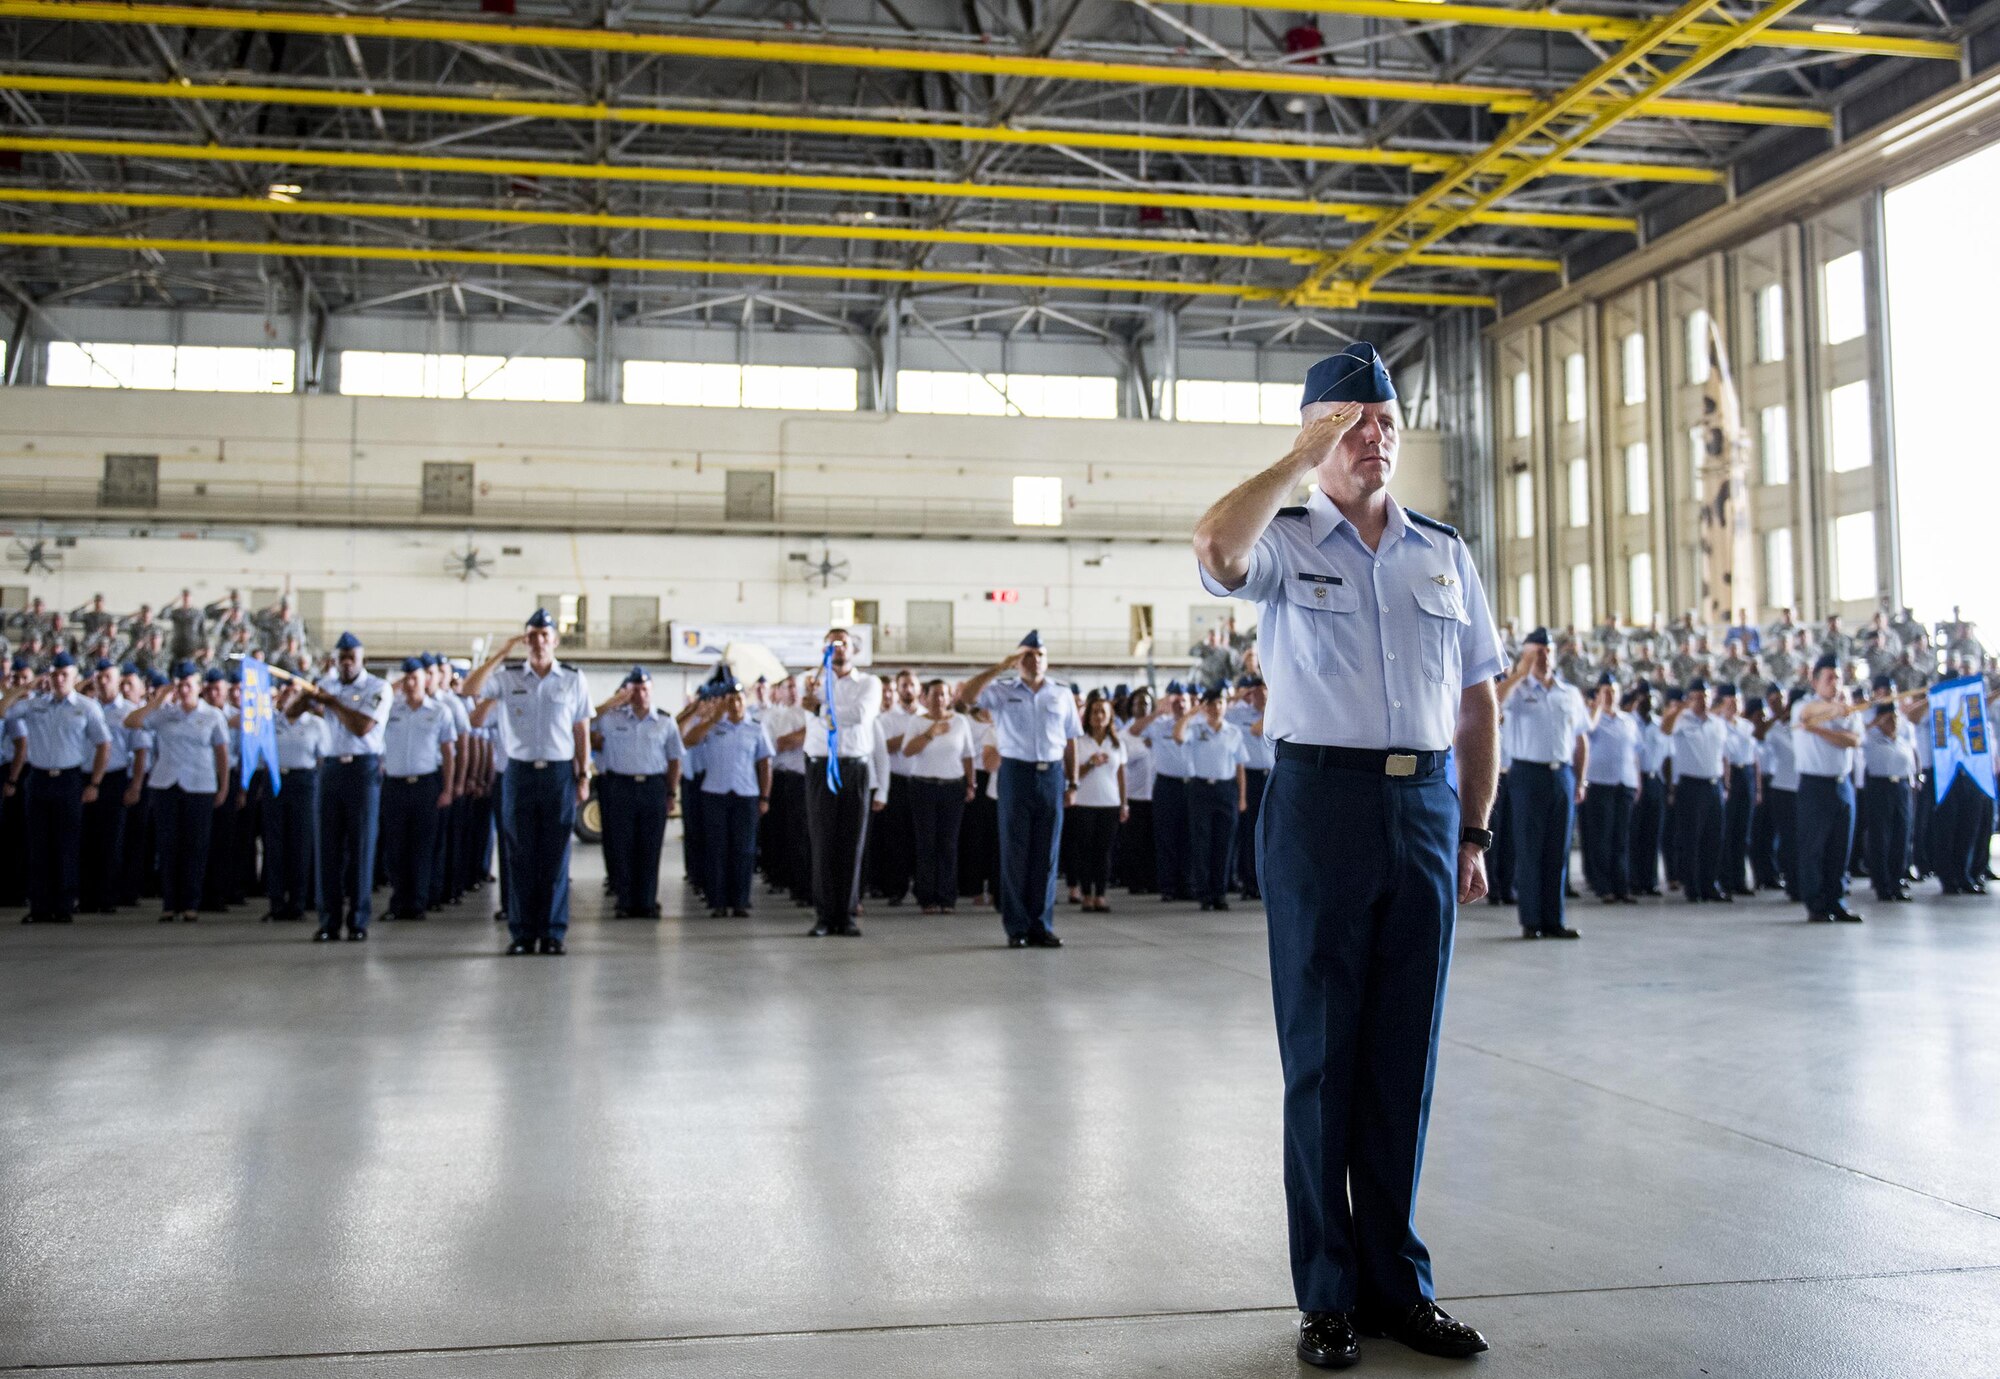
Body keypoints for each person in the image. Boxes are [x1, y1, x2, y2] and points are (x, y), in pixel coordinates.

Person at [1193, 340, 1500, 1365]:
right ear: (1318, 428)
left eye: (1386, 423)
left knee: (1399, 1062)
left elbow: (1474, 700)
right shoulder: (1285, 537)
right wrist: (1292, 460)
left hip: (1421, 806)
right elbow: (1214, 547)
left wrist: (1471, 828)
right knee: (1321, 1057)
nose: (1375, 439)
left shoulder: (1440, 550)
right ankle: (1324, 1292)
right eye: (1352, 422)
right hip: (1317, 803)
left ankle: (1394, 1286)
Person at [465, 609, 592, 955]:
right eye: (532, 636)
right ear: (525, 640)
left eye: (544, 636)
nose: (538, 642)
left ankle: (552, 932)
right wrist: (501, 654)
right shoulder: (507, 678)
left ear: (555, 640)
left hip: (558, 774)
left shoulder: (572, 679)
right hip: (518, 775)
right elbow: (469, 688)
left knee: (555, 856)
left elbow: (581, 730)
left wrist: (584, 775)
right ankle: (522, 933)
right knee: (519, 856)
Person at [958, 630, 1082, 949]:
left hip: (1052, 774)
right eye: (1027, 655)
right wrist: (999, 668)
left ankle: (1041, 924)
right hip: (1016, 774)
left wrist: (1073, 782)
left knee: (1047, 854)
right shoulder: (1000, 691)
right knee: (1015, 853)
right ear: (1017, 660)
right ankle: (1017, 927)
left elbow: (1070, 742)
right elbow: (966, 697)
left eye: (1040, 655)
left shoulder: (1061, 694)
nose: (1035, 660)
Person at [286, 631, 391, 942]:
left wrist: (332, 703)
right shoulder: (326, 685)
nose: (346, 663)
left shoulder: (377, 687)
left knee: (360, 847)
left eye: (352, 658)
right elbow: (290, 714)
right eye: (341, 658)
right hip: (330, 769)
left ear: (362, 660)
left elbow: (362, 727)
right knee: (327, 849)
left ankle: (357, 920)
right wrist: (308, 695)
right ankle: (328, 921)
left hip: (362, 769)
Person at [3, 652, 111, 923]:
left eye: (65, 674)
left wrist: (95, 782)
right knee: (38, 844)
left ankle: (63, 905)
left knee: (66, 843)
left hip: (69, 778)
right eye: (55, 674)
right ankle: (40, 906)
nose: (60, 679)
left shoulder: (87, 707)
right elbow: (3, 710)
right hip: (38, 778)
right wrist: (25, 688)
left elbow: (103, 744)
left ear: (74, 677)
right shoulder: (35, 704)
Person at [1496, 629, 1589, 939]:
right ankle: (1532, 920)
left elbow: (1580, 738)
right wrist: (1519, 675)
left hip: (1561, 774)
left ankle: (1554, 919)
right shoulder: (1517, 692)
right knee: (1529, 848)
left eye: (1547, 650)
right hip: (1527, 774)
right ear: (1525, 655)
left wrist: (1580, 778)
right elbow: (1493, 704)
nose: (1543, 656)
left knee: (1557, 850)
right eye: (1536, 651)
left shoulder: (1568, 693)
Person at [125, 661, 229, 924]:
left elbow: (222, 754)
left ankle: (191, 903)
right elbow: (132, 721)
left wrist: (223, 785)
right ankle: (170, 903)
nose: (183, 690)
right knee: (168, 845)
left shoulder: (212, 715)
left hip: (200, 785)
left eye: (188, 685)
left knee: (195, 846)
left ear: (199, 687)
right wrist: (158, 699)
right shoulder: (165, 713)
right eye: (179, 684)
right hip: (166, 784)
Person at [801, 627, 879, 937]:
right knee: (822, 842)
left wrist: (821, 708)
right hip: (821, 767)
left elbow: (859, 714)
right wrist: (815, 701)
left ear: (853, 650)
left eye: (843, 642)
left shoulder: (869, 683)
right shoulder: (811, 681)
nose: (837, 647)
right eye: (831, 643)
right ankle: (823, 915)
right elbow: (810, 713)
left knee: (851, 843)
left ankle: (845, 914)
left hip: (854, 767)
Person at [591, 666, 685, 920]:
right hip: (620, 786)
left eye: (644, 689)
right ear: (627, 691)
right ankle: (624, 901)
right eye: (634, 690)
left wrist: (670, 791)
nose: (640, 694)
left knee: (650, 846)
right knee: (622, 846)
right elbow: (584, 721)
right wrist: (612, 702)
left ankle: (647, 901)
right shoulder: (611, 718)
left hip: (653, 786)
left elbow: (675, 759)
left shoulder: (665, 721)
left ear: (651, 690)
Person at [681, 679, 773, 917]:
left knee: (744, 850)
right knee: (716, 849)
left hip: (746, 794)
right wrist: (712, 719)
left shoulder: (755, 727)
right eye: (730, 700)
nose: (735, 704)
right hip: (715, 793)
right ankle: (718, 901)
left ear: (746, 701)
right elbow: (688, 741)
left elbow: (765, 763)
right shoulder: (712, 726)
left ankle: (740, 901)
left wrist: (764, 796)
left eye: (739, 699)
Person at [379, 656, 458, 921]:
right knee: (395, 847)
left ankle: (417, 903)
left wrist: (448, 788)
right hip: (395, 785)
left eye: (416, 677)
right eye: (407, 678)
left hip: (425, 784)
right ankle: (397, 902)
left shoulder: (439, 711)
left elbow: (449, 753)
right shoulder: (391, 710)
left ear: (426, 679)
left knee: (422, 846)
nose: (411, 683)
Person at [1792, 655, 1864, 922]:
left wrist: (1821, 731)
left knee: (1839, 847)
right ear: (1815, 681)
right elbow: (1806, 716)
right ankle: (1816, 904)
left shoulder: (1848, 711)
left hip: (1841, 783)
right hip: (1814, 784)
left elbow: (1853, 740)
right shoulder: (1803, 705)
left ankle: (1837, 900)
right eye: (1829, 678)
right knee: (1813, 848)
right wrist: (1834, 713)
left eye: (1838, 678)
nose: (1835, 684)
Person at [901, 679, 977, 914]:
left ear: (949, 698)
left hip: (952, 786)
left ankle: (947, 897)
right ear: (925, 697)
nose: (939, 699)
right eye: (934, 694)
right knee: (926, 842)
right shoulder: (917, 721)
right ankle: (927, 897)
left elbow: (968, 755)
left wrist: (970, 783)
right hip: (923, 786)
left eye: (943, 695)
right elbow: (907, 750)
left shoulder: (960, 721)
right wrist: (930, 733)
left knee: (948, 842)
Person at [81, 658, 148, 915]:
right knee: (86, 839)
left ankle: (108, 895)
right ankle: (87, 897)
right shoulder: (88, 709)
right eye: (97, 678)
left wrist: (136, 786)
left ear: (118, 679)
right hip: (85, 776)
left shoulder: (128, 712)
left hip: (115, 778)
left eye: (107, 676)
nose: (102, 682)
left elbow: (141, 751)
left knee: (111, 840)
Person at [1178, 683, 1247, 911]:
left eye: (1220, 703)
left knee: (1224, 844)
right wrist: (1190, 713)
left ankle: (1220, 893)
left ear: (1225, 705)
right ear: (1205, 707)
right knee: (1202, 842)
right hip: (1201, 789)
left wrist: (1242, 797)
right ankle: (1204, 893)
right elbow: (1178, 736)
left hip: (1226, 789)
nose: (1216, 707)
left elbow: (1239, 767)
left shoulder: (1233, 732)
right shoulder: (1196, 730)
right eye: (1211, 704)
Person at [1662, 678, 1729, 904]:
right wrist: (1679, 709)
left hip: (1713, 784)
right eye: (1697, 697)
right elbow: (1665, 728)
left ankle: (1710, 884)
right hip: (1690, 785)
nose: (1702, 701)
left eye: (1706, 697)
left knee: (1714, 838)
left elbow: (1723, 755)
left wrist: (1725, 784)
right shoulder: (1682, 720)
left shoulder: (1717, 723)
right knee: (1691, 838)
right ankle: (1692, 887)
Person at [262, 680, 323, 922]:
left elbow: (322, 758)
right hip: (275, 781)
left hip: (303, 781)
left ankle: (298, 902)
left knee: (300, 843)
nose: (290, 697)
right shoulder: (268, 723)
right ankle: (276, 902)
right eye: (286, 692)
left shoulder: (315, 724)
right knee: (274, 844)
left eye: (295, 692)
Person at [1580, 674, 1639, 904]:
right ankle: (1603, 886)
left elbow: (1634, 753)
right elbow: (1586, 732)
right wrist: (1596, 708)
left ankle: (1621, 885)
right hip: (1600, 783)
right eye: (1605, 691)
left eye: (1613, 691)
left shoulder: (1628, 721)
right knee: (1601, 836)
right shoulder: (1593, 719)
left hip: (1624, 783)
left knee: (1621, 837)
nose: (1610, 696)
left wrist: (1637, 783)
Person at [1067, 693, 1126, 912]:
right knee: (1085, 851)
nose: (1098, 716)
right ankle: (1086, 893)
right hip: (1084, 803)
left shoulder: (1117, 743)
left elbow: (1121, 775)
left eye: (1103, 712)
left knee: (1104, 851)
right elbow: (1072, 773)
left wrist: (1124, 803)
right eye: (1094, 712)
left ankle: (1100, 893)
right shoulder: (1080, 742)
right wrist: (1091, 763)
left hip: (1109, 803)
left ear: (1110, 716)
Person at [1134, 681, 1191, 900]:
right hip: (1167, 785)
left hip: (1190, 785)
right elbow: (1135, 730)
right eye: (1175, 701)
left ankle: (1187, 885)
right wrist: (1157, 712)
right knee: (1166, 838)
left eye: (1183, 701)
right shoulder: (1159, 725)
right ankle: (1168, 887)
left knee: (1188, 838)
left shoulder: (1195, 724)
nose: (1180, 706)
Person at [1861, 692, 1918, 904]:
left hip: (1902, 787)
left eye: (1894, 718)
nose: (1892, 723)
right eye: (1888, 719)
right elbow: (1858, 735)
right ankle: (1882, 884)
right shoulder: (1870, 739)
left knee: (1901, 836)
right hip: (1880, 787)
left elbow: (1912, 761)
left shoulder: (1902, 739)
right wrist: (1874, 723)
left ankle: (1897, 882)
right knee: (1880, 837)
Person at [760, 677, 812, 906]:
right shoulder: (781, 716)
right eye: (787, 687)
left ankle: (810, 884)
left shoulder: (809, 713)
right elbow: (781, 743)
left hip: (814, 777)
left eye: (795, 687)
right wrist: (812, 731)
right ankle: (797, 885)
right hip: (791, 778)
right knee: (794, 834)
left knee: (811, 835)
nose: (793, 691)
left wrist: (804, 734)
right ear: (779, 692)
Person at [1229, 675, 1272, 900]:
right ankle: (1248, 882)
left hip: (1271, 776)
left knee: (1270, 832)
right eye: (1257, 692)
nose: (1263, 696)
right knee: (1249, 833)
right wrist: (1237, 696)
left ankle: (1266, 882)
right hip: (1250, 777)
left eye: (1266, 691)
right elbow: (1256, 730)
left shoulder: (1277, 712)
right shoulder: (1238, 715)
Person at [1716, 683, 1760, 896]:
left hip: (1746, 774)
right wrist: (1726, 782)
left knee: (1743, 832)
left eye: (1737, 701)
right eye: (1730, 701)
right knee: (1727, 829)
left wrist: (1758, 787)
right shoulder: (1718, 724)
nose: (1734, 705)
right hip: (1729, 773)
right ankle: (1725, 878)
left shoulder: (1746, 726)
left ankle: (1739, 878)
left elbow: (1754, 757)